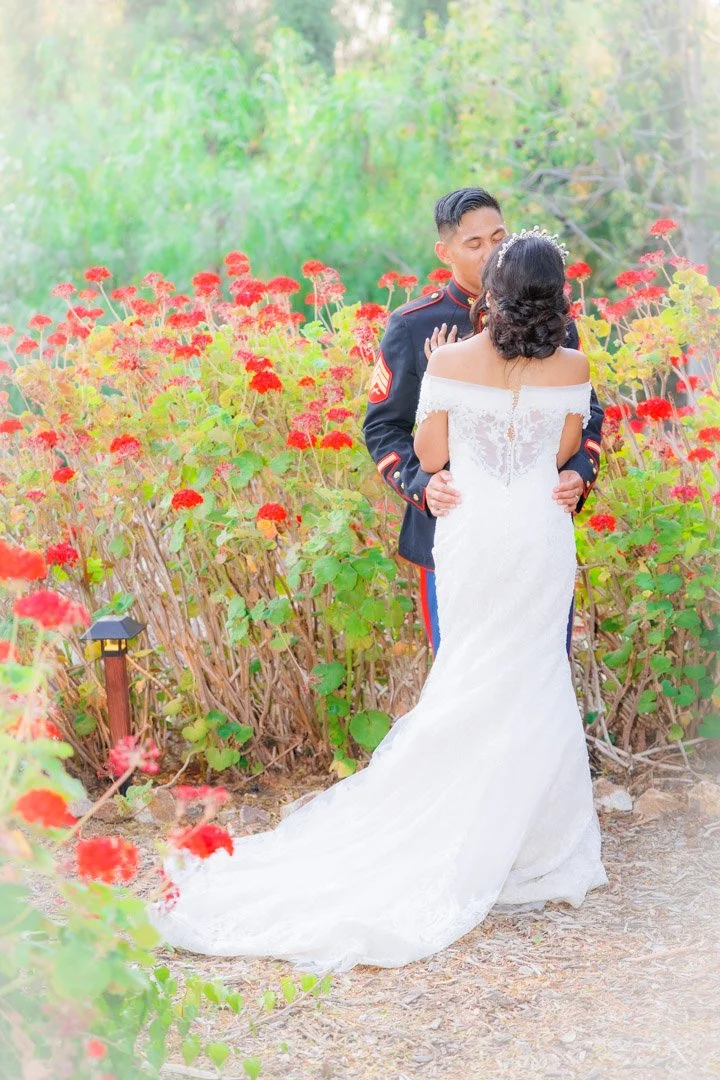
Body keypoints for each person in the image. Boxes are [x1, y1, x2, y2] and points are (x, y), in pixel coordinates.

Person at [151, 229, 608, 973]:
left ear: (492, 289)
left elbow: (430, 459)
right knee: (532, 675)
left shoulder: (453, 357)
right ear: (558, 295)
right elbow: (562, 451)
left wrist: (440, 384)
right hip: (537, 529)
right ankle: (539, 850)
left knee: (469, 673)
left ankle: (471, 828)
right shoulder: (575, 363)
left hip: (474, 530)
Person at [362, 187, 604, 654]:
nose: (492, 252)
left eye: (499, 237)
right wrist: (422, 485)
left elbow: (586, 414)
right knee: (461, 671)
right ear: (445, 252)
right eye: (474, 244)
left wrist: (579, 472)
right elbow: (382, 425)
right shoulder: (414, 325)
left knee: (541, 663)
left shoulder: (553, 319)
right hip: (449, 529)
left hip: (535, 529)